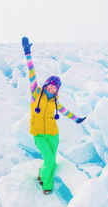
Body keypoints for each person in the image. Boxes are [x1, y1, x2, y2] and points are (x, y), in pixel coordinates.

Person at [21, 37, 86, 195]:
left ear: (57, 90)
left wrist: (76, 119)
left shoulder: (55, 102)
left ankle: (45, 180)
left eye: (55, 88)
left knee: (52, 161)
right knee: (49, 160)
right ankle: (44, 182)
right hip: (39, 135)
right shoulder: (36, 93)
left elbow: (65, 111)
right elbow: (31, 74)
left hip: (53, 135)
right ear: (46, 84)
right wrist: (27, 53)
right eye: (50, 85)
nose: (52, 89)